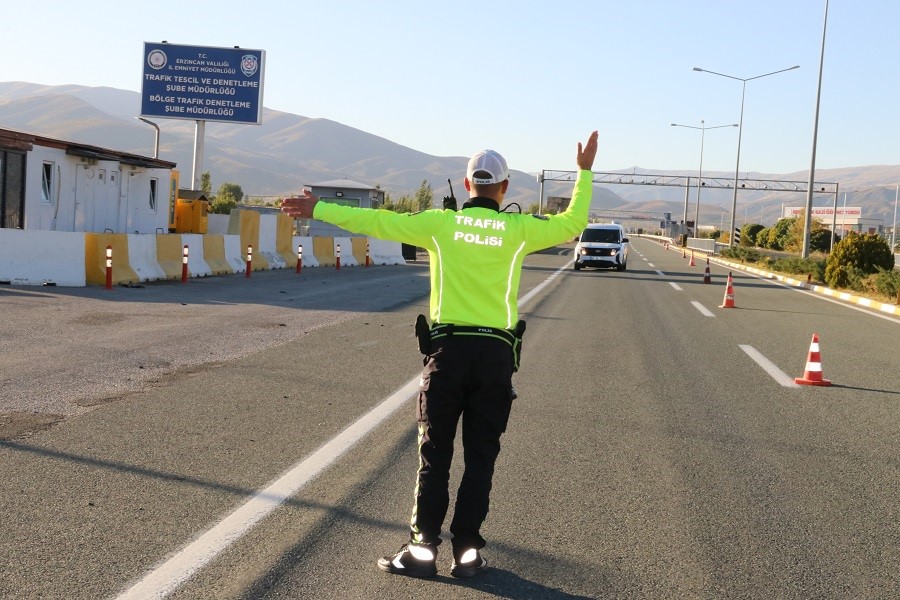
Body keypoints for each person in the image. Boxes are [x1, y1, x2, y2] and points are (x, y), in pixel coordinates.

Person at [281, 131, 599, 578]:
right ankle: (467, 555)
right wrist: (584, 172)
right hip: (495, 357)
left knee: (435, 455)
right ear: (504, 189)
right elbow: (572, 224)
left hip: (447, 354)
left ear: (468, 186)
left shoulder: (439, 224)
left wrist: (318, 208)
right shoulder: (519, 229)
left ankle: (422, 550)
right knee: (481, 457)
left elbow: (379, 223)